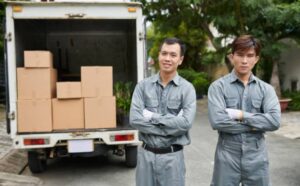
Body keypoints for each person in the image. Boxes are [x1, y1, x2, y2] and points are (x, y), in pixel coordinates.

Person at [208, 35, 281, 186]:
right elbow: (218, 121)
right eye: (240, 55)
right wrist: (258, 123)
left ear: (257, 59)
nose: (244, 60)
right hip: (227, 154)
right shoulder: (218, 87)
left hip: (257, 156)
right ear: (231, 56)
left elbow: (274, 121)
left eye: (250, 55)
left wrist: (239, 115)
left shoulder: (266, 89)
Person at [129, 37, 196, 186]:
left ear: (180, 60)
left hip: (173, 159)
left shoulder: (187, 89)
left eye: (173, 55)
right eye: (164, 53)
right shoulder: (142, 86)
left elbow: (185, 124)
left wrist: (151, 116)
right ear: (158, 55)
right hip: (146, 157)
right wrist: (172, 125)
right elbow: (134, 120)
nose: (167, 58)